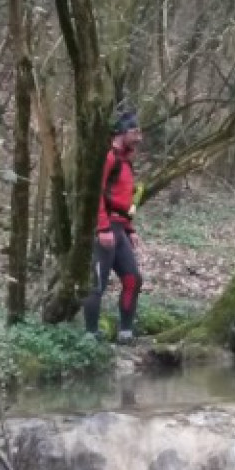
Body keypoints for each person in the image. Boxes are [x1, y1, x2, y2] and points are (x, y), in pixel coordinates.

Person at [84, 111, 145, 343]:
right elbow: (96, 194)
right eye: (134, 132)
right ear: (121, 132)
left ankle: (125, 333)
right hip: (106, 227)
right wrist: (102, 228)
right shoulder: (108, 157)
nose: (139, 138)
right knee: (97, 283)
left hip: (120, 228)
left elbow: (124, 200)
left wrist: (130, 230)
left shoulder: (126, 162)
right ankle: (90, 334)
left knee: (133, 279)